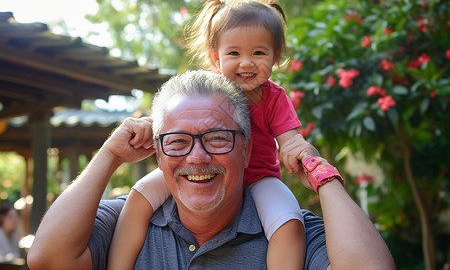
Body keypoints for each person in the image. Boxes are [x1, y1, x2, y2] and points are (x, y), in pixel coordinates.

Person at [27, 70, 395, 270]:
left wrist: (321, 174)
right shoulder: (129, 220)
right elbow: (47, 259)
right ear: (157, 153)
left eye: (218, 138)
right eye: (177, 141)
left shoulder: (288, 230)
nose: (197, 156)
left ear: (248, 149)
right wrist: (109, 154)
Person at [109, 0, 328, 270]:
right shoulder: (207, 89)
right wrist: (148, 128)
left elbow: (290, 140)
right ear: (216, 57)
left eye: (259, 53)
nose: (246, 62)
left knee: (288, 220)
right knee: (140, 193)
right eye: (234, 53)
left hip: (259, 177)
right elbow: (176, 120)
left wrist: (301, 153)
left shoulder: (274, 98)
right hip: (202, 166)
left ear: (275, 57)